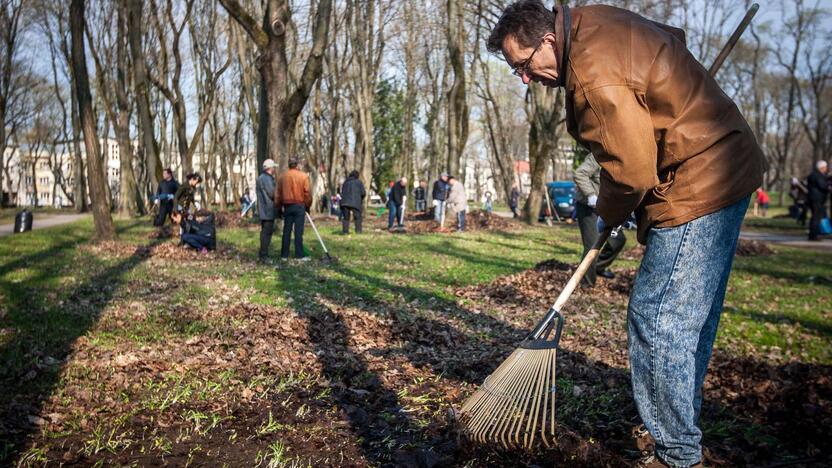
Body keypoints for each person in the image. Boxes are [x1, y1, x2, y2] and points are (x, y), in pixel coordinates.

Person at [488, 3, 766, 467]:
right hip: (726, 162)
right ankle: (677, 423)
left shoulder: (594, 76)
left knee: (658, 318)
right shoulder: (595, 21)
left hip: (701, 180)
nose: (524, 78)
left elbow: (632, 171)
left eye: (522, 65)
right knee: (688, 318)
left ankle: (676, 453)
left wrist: (607, 214)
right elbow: (671, 37)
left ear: (548, 41)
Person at [573, 154, 626, 286]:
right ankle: (586, 282)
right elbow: (580, 174)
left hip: (607, 208)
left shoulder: (625, 157)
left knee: (617, 240)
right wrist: (591, 195)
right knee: (592, 245)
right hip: (589, 207)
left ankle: (598, 267)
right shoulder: (599, 154)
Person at [275, 159, 312, 260]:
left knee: (286, 231)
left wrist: (278, 207)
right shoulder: (304, 176)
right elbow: (307, 193)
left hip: (287, 206)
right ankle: (299, 255)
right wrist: (307, 206)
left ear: (289, 165)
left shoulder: (282, 177)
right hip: (299, 205)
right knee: (298, 231)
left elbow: (278, 194)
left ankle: (284, 255)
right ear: (297, 165)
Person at [256, 159, 278, 262]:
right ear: (270, 168)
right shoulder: (267, 179)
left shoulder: (260, 178)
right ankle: (264, 256)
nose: (274, 169)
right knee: (266, 233)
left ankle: (262, 254)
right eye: (273, 167)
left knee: (265, 232)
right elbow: (272, 194)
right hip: (268, 210)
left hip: (263, 210)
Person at [807, 160, 829, 241]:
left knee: (814, 217)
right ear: (822, 168)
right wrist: (828, 186)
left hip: (813, 199)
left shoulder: (813, 175)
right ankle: (814, 235)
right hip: (817, 199)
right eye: (825, 167)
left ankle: (812, 234)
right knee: (816, 217)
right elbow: (823, 186)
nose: (826, 169)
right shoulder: (817, 176)